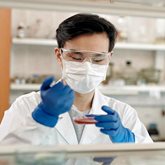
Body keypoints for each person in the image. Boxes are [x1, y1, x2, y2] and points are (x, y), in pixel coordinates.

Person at [0, 13, 153, 145]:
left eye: (98, 59)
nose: (87, 66)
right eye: (76, 57)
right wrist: (41, 119)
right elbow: (4, 158)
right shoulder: (26, 106)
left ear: (109, 58)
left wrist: (128, 140)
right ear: (59, 55)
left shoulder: (124, 114)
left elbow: (151, 159)